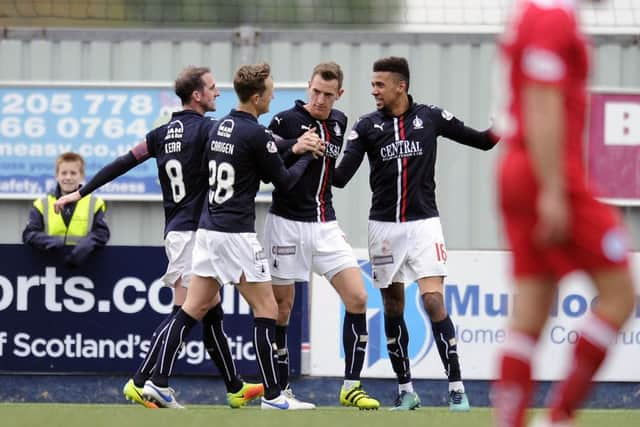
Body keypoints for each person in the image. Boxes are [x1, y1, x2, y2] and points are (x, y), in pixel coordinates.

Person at [54, 66, 263, 409]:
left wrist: (81, 191)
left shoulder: (159, 134)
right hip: (194, 233)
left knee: (210, 311)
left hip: (178, 231)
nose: (217, 93)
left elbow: (122, 163)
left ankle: (234, 386)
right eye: (212, 88)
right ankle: (145, 381)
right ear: (197, 95)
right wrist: (289, 147)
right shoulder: (208, 131)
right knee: (188, 310)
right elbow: (247, 143)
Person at [492, 1, 636, 426]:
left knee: (531, 313)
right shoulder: (553, 15)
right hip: (550, 171)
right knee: (620, 294)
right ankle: (559, 416)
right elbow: (541, 99)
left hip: (521, 167)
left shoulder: (533, 12)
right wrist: (553, 189)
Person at [141, 62, 316, 411]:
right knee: (267, 307)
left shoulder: (220, 127)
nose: (273, 96)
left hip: (207, 230)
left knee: (194, 306)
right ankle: (274, 396)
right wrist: (307, 156)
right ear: (257, 97)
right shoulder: (255, 133)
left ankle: (156, 383)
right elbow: (283, 181)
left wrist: (289, 149)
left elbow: (253, 163)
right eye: (270, 91)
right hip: (235, 234)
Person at [333, 56, 499, 411]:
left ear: (400, 86)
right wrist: (322, 149)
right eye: (373, 84)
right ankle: (406, 390)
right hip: (383, 229)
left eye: (380, 84)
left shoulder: (430, 117)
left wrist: (505, 124)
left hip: (425, 225)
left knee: (433, 300)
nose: (374, 90)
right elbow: (340, 178)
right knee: (393, 306)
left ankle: (456, 387)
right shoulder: (365, 126)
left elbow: (483, 141)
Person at [264, 61, 380, 410]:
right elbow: (267, 160)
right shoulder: (285, 120)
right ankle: (281, 390)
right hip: (285, 222)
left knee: (358, 297)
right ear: (307, 87)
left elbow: (336, 170)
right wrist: (294, 146)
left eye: (328, 95)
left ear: (338, 95)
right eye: (315, 92)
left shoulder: (340, 121)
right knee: (281, 310)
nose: (320, 99)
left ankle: (351, 385)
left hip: (326, 223)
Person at [23, 152, 110, 267]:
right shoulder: (42, 204)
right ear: (57, 175)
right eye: (64, 173)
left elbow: (102, 233)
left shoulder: (95, 203)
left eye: (73, 173)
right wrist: (48, 241)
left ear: (82, 176)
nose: (68, 177)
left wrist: (86, 245)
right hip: (49, 269)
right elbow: (28, 234)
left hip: (84, 267)